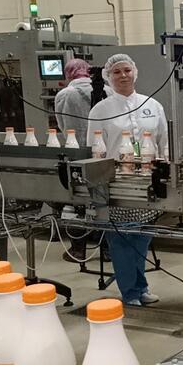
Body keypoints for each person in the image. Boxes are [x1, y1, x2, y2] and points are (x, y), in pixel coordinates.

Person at [87, 54, 169, 306]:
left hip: (147, 182)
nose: (123, 76)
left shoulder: (152, 105)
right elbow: (94, 147)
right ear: (108, 77)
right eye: (116, 72)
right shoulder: (100, 110)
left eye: (127, 70)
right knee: (122, 240)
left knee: (142, 238)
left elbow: (163, 142)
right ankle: (130, 291)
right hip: (117, 184)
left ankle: (141, 287)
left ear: (135, 72)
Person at [54, 58, 110, 262]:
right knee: (104, 200)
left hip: (76, 153)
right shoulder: (108, 90)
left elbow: (62, 125)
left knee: (76, 202)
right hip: (104, 153)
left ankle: (78, 250)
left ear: (69, 74)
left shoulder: (65, 94)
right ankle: (107, 249)